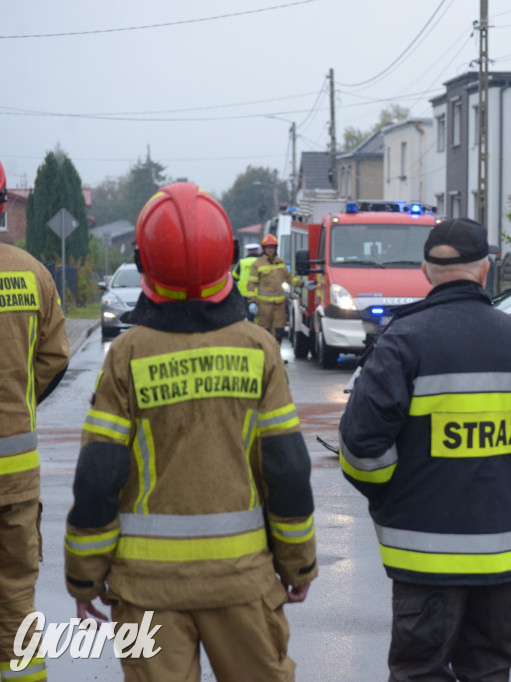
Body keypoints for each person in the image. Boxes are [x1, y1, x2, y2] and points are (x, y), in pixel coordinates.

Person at [64, 183, 317, 681]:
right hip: (242, 583)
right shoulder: (258, 348)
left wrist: (84, 576)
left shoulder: (126, 355)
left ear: (144, 262)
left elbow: (99, 476)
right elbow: (286, 468)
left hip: (146, 592)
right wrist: (298, 564)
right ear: (228, 256)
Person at [339, 217, 511, 681]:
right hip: (498, 557)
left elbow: (363, 448)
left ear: (426, 273)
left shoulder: (403, 340)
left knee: (419, 672)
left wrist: (393, 493)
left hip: (421, 561)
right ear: (485, 270)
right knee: (488, 671)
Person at [0, 159, 70, 682]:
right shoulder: (32, 274)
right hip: (15, 474)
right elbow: (53, 358)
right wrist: (21, 401)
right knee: (16, 598)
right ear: (4, 205)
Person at [248, 234, 289, 343]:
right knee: (264, 334)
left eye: (272, 247)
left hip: (279, 306)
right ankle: (265, 358)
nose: (270, 250)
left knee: (278, 333)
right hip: (264, 307)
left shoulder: (280, 262)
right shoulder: (257, 264)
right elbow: (251, 284)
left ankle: (276, 358)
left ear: (276, 248)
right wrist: (251, 301)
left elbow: (289, 278)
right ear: (263, 249)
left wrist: (303, 284)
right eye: (268, 247)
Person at [233, 243, 261, 321]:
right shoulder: (261, 262)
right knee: (259, 317)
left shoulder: (242, 262)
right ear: (257, 251)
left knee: (247, 317)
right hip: (259, 295)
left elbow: (235, 277)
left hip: (244, 295)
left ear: (248, 252)